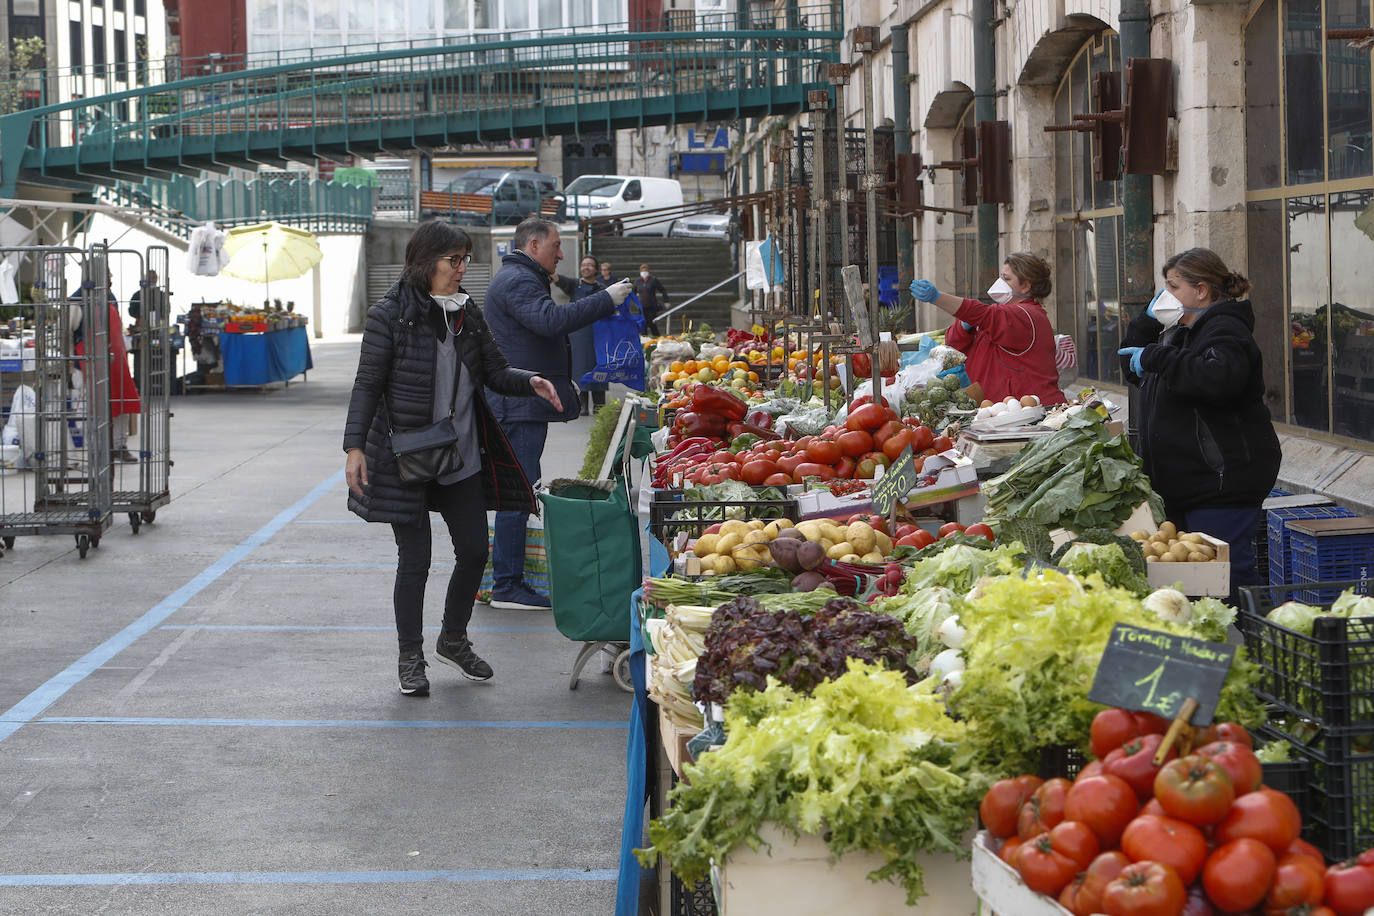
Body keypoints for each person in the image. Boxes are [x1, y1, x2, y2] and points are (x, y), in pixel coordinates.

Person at [343, 221, 567, 697]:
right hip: (407, 457)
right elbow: (367, 384)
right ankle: (410, 656)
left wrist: (530, 380)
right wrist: (354, 447)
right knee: (416, 559)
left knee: (473, 549)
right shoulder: (389, 315)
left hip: (460, 453)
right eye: (454, 261)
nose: (462, 270)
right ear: (427, 262)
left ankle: (453, 637)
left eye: (465, 260)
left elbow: (494, 370)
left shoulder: (466, 312)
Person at [482, 217, 633, 611]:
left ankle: (504, 579)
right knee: (519, 490)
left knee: (518, 488)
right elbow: (549, 322)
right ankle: (507, 585)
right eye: (556, 246)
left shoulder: (520, 276)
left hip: (520, 400)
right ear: (533, 245)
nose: (561, 254)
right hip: (518, 402)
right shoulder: (518, 280)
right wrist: (606, 300)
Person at [1117, 247, 1281, 598]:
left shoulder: (1226, 329)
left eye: (1174, 287)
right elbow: (1134, 369)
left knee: (1226, 572)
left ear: (1202, 290)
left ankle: (1252, 640)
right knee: (1193, 576)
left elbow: (1217, 378)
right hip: (1184, 483)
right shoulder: (1178, 330)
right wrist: (1148, 325)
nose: (1166, 296)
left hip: (1221, 482)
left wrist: (1157, 356)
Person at [910, 253, 1067, 406]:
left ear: (1026, 286)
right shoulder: (1001, 314)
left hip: (1031, 411)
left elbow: (983, 314)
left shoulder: (1027, 315)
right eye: (1001, 277)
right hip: (1000, 411)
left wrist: (937, 297)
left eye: (1007, 279)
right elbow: (954, 344)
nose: (1000, 282)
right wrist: (965, 326)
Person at [72, 274, 141, 463]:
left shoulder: (110, 299)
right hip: (88, 362)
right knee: (91, 406)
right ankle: (94, 447)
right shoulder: (76, 302)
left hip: (115, 360)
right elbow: (68, 333)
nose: (109, 285)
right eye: (106, 281)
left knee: (121, 401)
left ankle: (119, 445)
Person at [570, 255, 608, 417]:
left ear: (596, 269)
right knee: (580, 370)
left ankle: (600, 404)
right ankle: (582, 404)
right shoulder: (573, 287)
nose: (586, 268)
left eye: (590, 265)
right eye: (584, 265)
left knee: (599, 370)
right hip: (579, 335)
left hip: (599, 336)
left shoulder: (603, 289)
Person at [128, 269, 168, 394]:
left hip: (158, 331)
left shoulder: (161, 295)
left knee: (159, 361)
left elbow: (166, 311)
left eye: (154, 277)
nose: (152, 279)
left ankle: (160, 386)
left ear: (157, 279)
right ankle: (140, 386)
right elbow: (132, 311)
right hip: (142, 331)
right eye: (150, 277)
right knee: (141, 361)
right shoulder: (137, 295)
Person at [633, 263, 669, 337]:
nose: (644, 273)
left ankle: (656, 337)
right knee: (643, 324)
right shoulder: (637, 281)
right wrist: (636, 302)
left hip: (652, 306)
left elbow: (662, 290)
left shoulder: (653, 280)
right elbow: (633, 292)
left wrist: (666, 300)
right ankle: (644, 338)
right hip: (642, 306)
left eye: (645, 271)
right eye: (642, 271)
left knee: (652, 323)